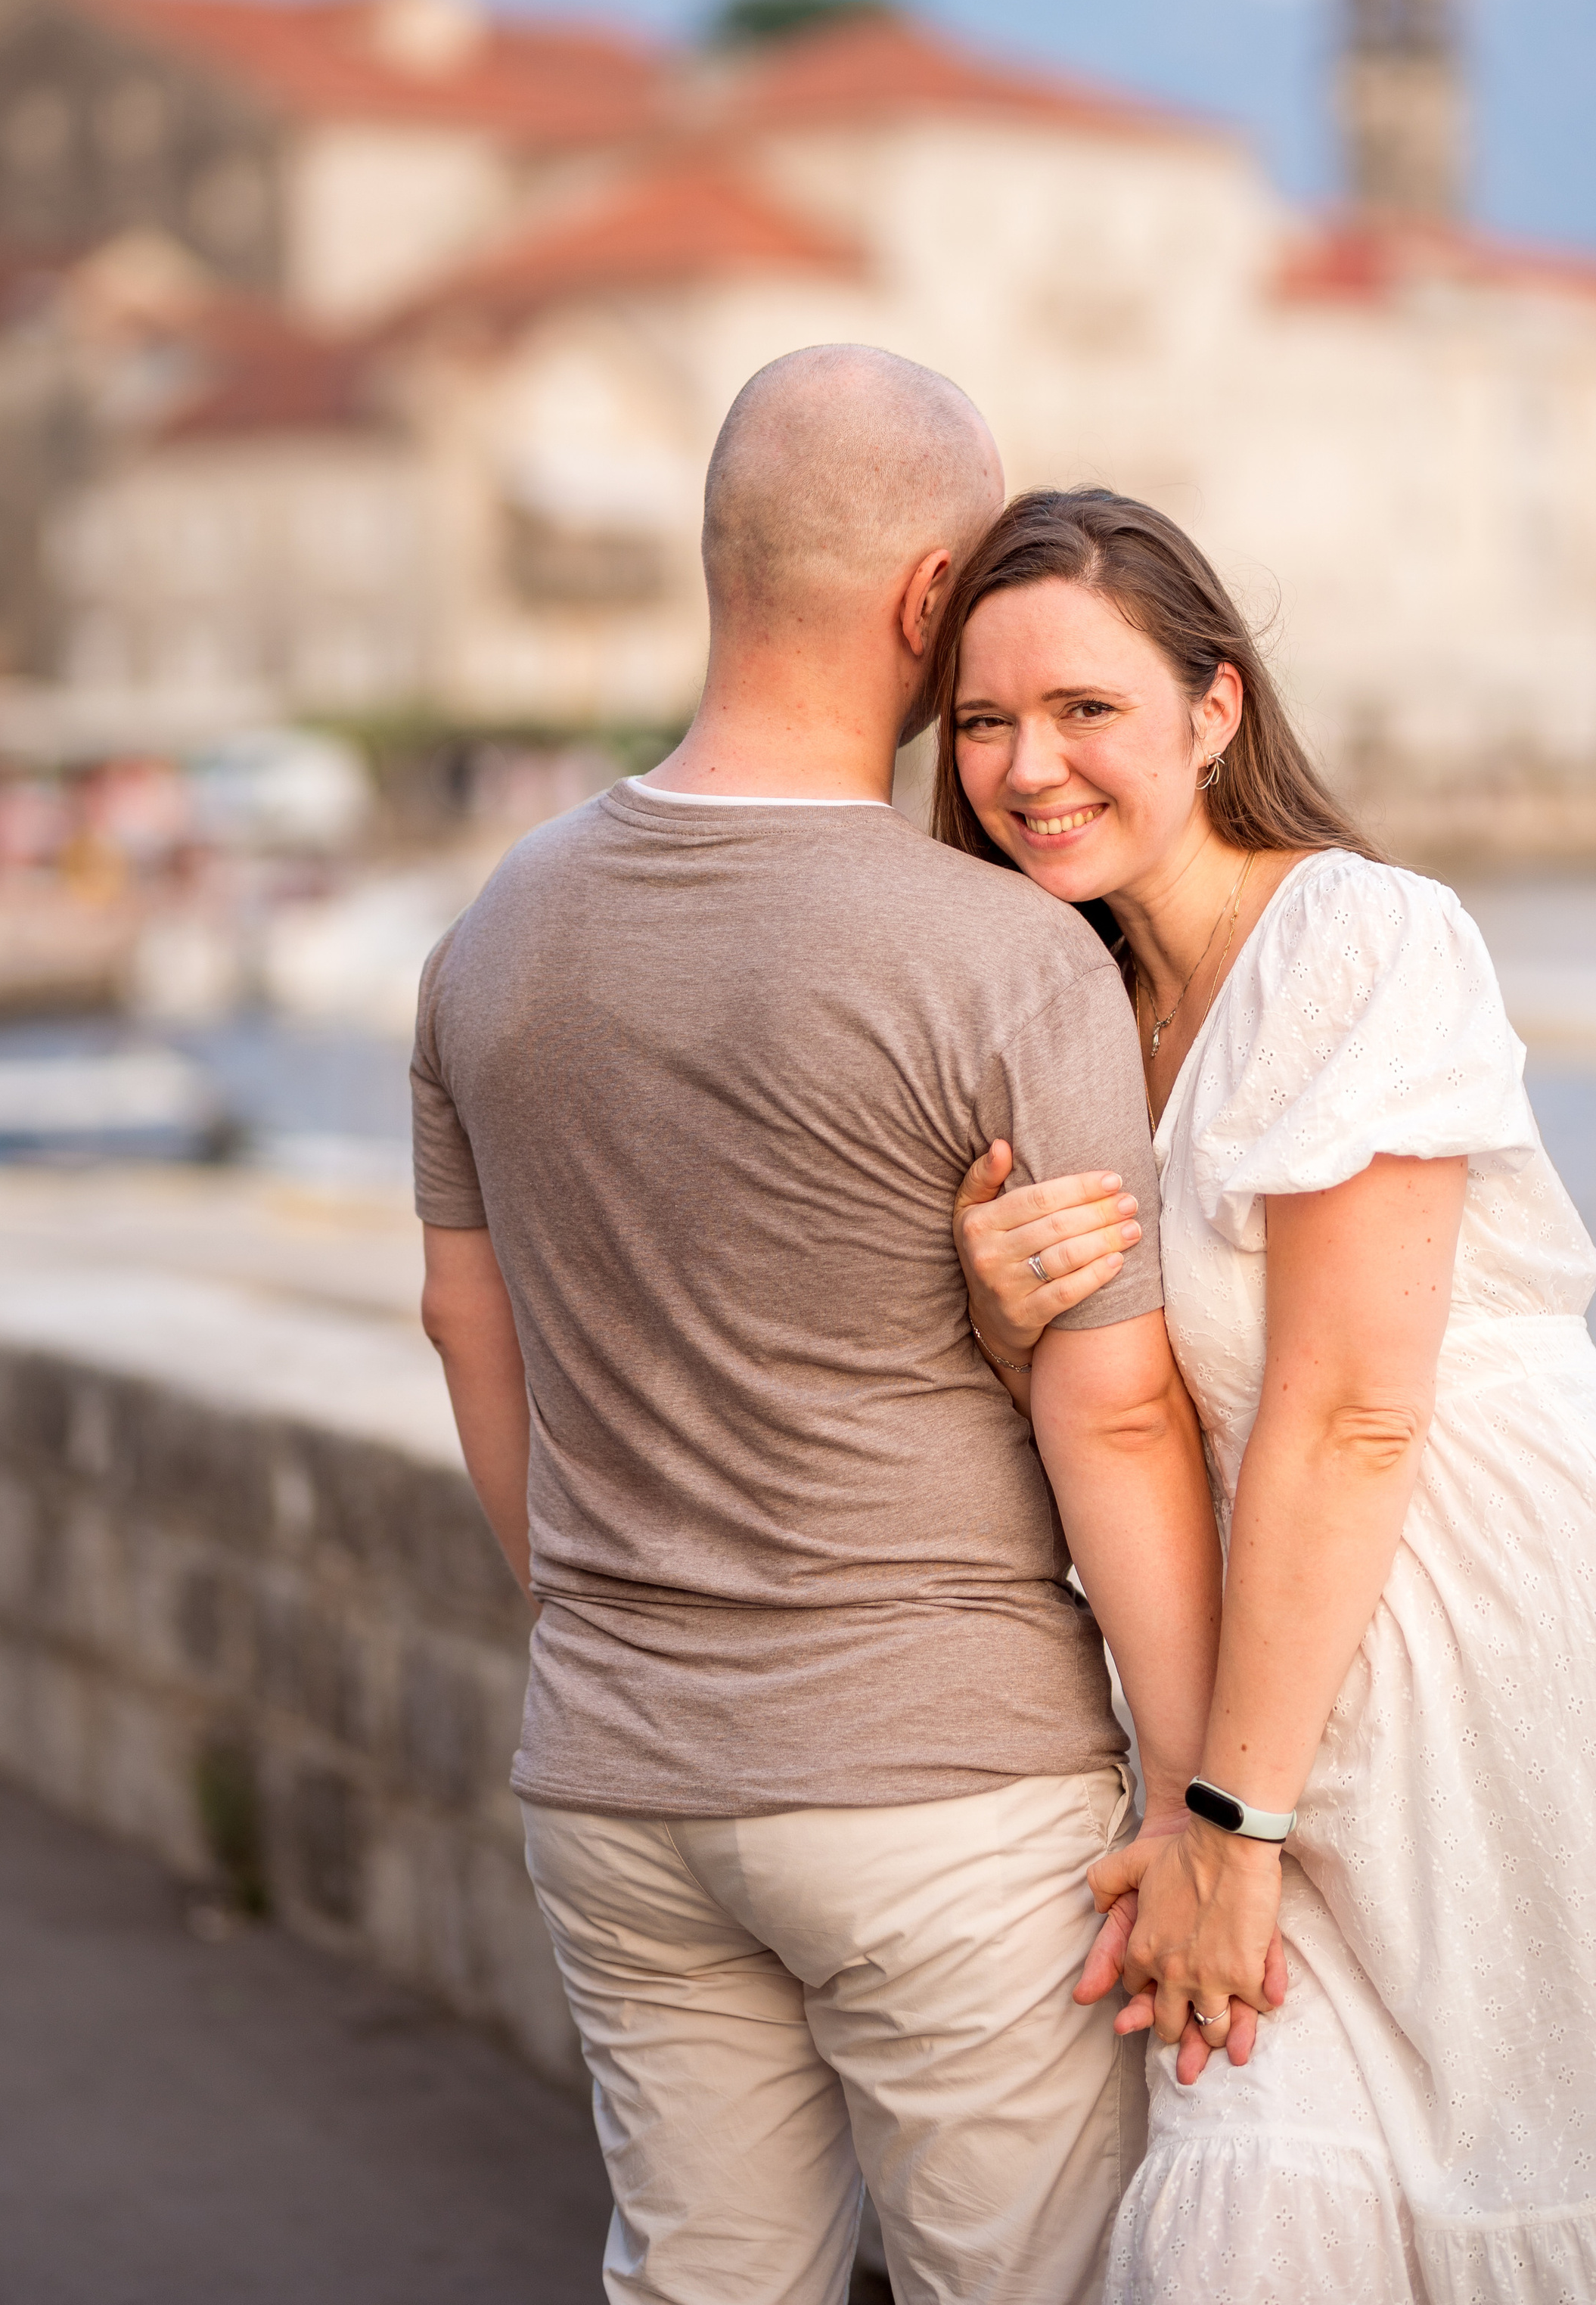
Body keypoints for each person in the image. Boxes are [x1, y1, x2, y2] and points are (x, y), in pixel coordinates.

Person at [940, 486, 1596, 2305]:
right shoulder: (1068, 1006)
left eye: (1084, 709)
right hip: (1270, 1694)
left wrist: (1223, 1828)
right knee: (1252, 2190)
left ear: (1214, 711)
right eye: (978, 722)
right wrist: (992, 1304)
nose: (1025, 767)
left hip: (1523, 1673)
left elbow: (1350, 1409)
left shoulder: (1356, 938)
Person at [411, 352, 1221, 2305]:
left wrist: (610, 1625)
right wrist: (1202, 1801)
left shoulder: (489, 936)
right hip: (943, 1788)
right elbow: (1111, 1420)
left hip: (615, 1779)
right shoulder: (1009, 958)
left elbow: (464, 1326)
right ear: (934, 607)